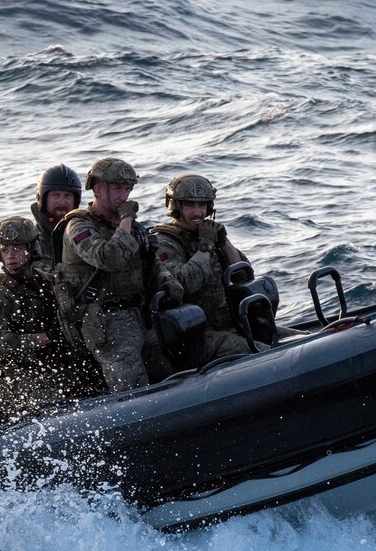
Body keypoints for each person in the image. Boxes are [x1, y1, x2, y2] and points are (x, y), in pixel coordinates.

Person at [56, 157, 180, 392]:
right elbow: (108, 258)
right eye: (116, 188)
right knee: (132, 389)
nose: (123, 196)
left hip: (140, 315)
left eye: (126, 189)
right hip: (106, 322)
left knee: (171, 371)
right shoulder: (79, 226)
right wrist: (125, 220)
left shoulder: (132, 227)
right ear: (98, 189)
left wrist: (167, 281)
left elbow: (149, 260)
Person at [0, 216, 94, 422]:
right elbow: (0, 342)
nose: (11, 256)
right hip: (19, 374)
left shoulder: (45, 280)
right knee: (59, 408)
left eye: (17, 249)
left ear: (31, 249)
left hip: (54, 365)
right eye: (5, 250)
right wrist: (46, 337)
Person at [151, 174, 257, 364]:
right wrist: (206, 245)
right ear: (176, 207)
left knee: (295, 337)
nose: (198, 212)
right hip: (198, 334)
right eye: (190, 205)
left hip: (231, 323)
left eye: (202, 205)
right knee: (260, 353)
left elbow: (244, 274)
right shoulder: (164, 243)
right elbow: (184, 283)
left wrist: (223, 242)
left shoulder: (209, 235)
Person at [29, 163, 82, 264]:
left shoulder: (86, 229)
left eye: (67, 196)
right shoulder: (30, 238)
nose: (61, 202)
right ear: (43, 198)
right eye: (56, 195)